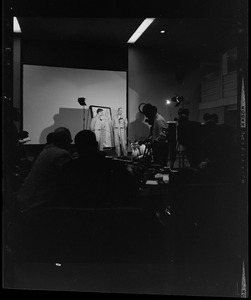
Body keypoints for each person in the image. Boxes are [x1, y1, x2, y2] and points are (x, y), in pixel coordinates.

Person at [58, 130, 139, 208]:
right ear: (96, 145)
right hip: (107, 215)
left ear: (76, 147)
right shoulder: (113, 166)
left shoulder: (67, 169)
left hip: (76, 217)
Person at [17, 127, 73, 213]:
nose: (71, 141)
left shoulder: (47, 150)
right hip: (36, 206)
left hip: (26, 202)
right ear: (65, 140)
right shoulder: (61, 155)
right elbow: (70, 178)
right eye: (69, 139)